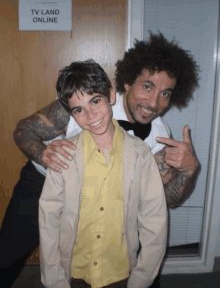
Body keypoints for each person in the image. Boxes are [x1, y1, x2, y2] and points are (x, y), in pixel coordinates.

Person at [0, 31, 199, 287]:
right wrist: (43, 154)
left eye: (165, 93)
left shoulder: (160, 136)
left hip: (101, 194)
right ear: (126, 83)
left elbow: (164, 199)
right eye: (147, 86)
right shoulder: (87, 100)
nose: (154, 102)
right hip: (43, 180)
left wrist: (189, 171)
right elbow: (23, 129)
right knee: (6, 258)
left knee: (142, 270)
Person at [39, 59, 167, 288]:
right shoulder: (64, 155)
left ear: (110, 95)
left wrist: (142, 278)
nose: (90, 115)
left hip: (121, 273)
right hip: (75, 273)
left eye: (95, 101)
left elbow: (154, 221)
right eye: (79, 109)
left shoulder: (140, 154)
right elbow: (49, 222)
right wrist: (54, 280)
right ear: (72, 113)